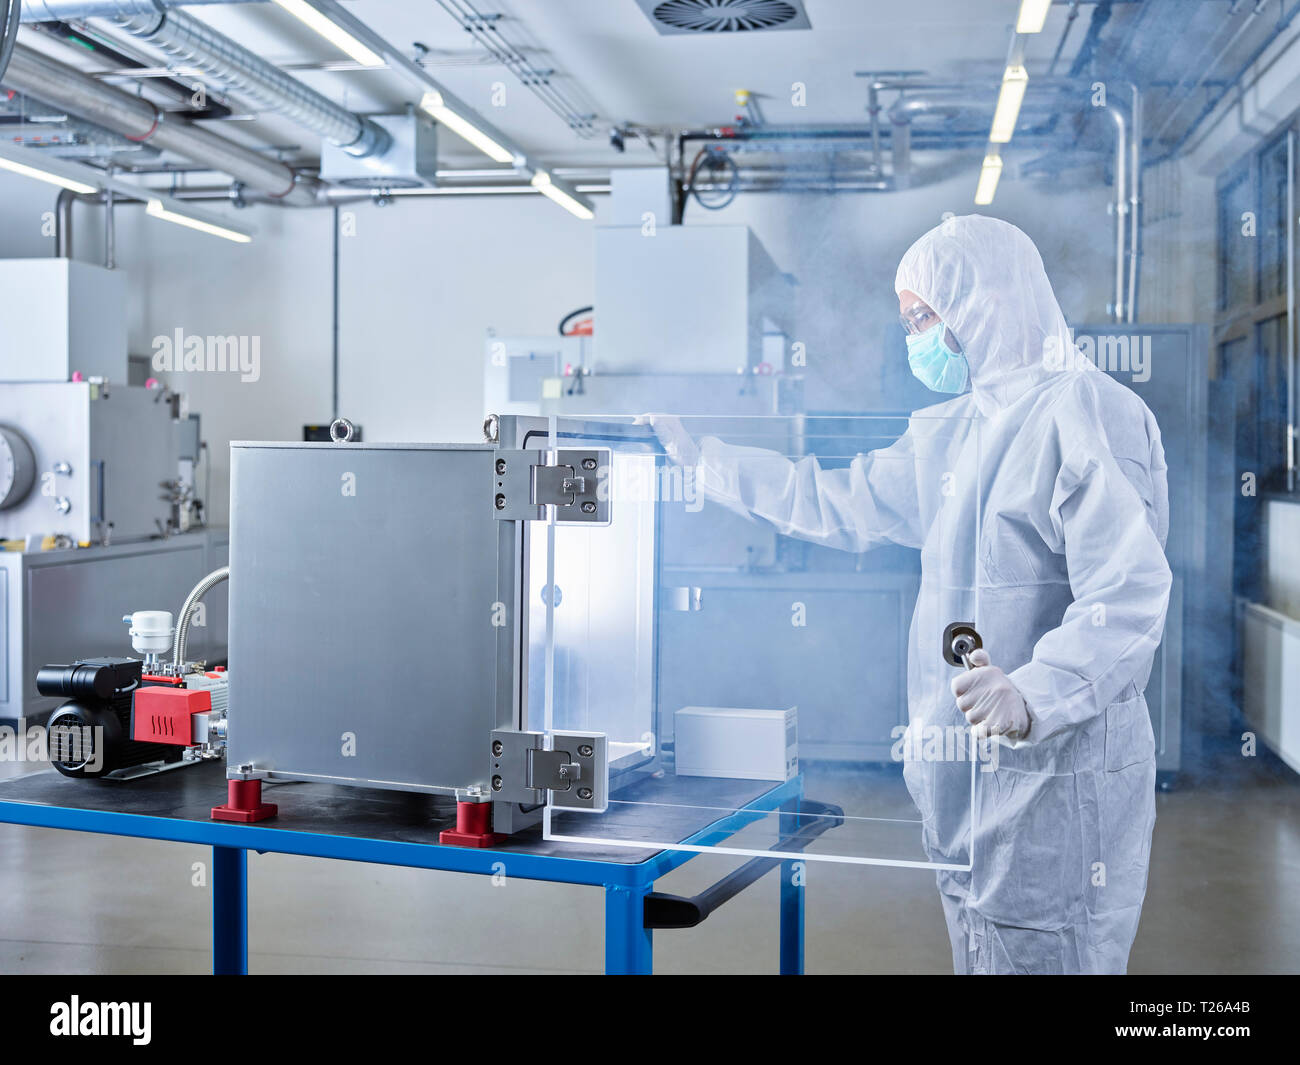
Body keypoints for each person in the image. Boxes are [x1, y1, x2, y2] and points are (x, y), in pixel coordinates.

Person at [640, 214, 1171, 974]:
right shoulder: (954, 432)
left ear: (983, 303)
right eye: (909, 321)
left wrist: (1034, 692)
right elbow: (840, 500)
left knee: (1057, 950)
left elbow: (1127, 592)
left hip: (1059, 783)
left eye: (926, 317)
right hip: (964, 791)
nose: (916, 337)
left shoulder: (1084, 412)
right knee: (983, 950)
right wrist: (711, 466)